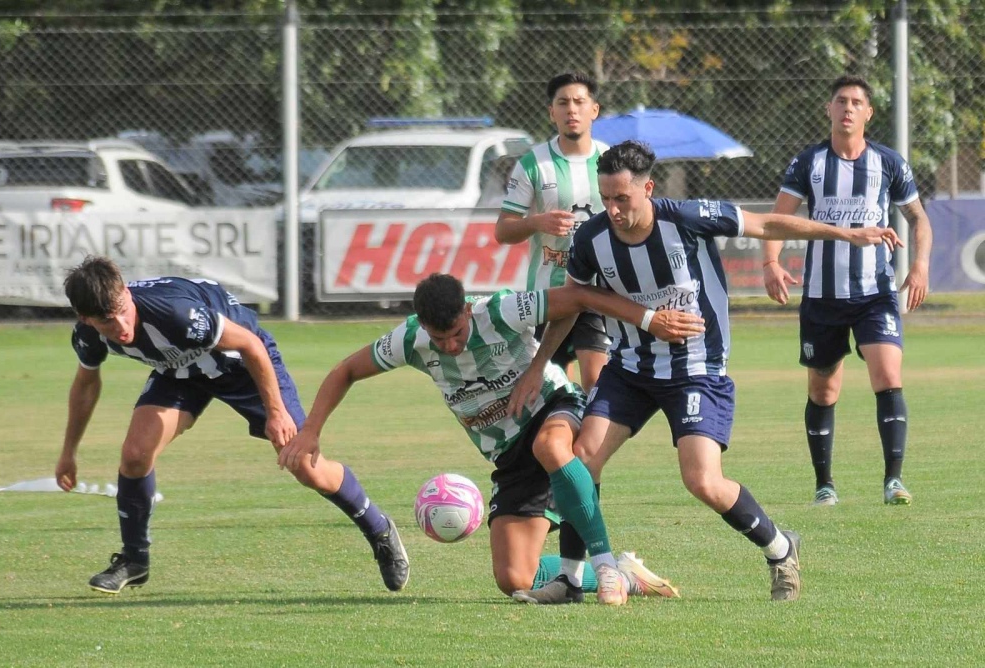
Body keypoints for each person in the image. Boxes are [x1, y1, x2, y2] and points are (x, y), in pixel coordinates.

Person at [510, 140, 902, 602]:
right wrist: (539, 365)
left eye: (623, 198)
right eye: (607, 198)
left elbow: (766, 223)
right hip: (631, 368)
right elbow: (571, 305)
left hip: (697, 369)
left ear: (648, 189)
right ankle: (573, 579)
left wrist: (846, 234)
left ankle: (780, 548)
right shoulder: (591, 239)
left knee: (702, 481)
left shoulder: (689, 217)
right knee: (582, 458)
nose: (613, 209)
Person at [278, 273, 706, 605]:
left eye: (457, 335)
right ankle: (624, 573)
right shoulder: (410, 340)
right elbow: (344, 371)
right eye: (438, 338)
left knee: (551, 446)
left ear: (466, 311)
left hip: (555, 406)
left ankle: (603, 561)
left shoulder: (500, 310)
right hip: (508, 454)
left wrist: (645, 321)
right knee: (514, 579)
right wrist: (312, 429)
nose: (448, 346)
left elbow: (579, 298)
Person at [55, 256, 409, 594]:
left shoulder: (176, 314)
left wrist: (276, 412)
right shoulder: (88, 335)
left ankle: (379, 529)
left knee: (303, 465)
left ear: (127, 295)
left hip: (243, 364)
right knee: (135, 454)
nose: (120, 328)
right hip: (180, 371)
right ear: (86, 320)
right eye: (106, 323)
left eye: (122, 313)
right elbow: (86, 385)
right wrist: (69, 452)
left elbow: (251, 345)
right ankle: (134, 559)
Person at [762, 75, 933, 507]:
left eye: (857, 102)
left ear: (869, 113)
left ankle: (893, 480)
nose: (849, 108)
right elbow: (777, 220)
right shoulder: (809, 163)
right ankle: (825, 484)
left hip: (876, 292)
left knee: (889, 376)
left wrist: (919, 266)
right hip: (822, 295)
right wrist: (771, 262)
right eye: (841, 101)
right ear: (829, 109)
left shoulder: (889, 163)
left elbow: (918, 218)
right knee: (823, 392)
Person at [495, 72, 611, 393]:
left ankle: (589, 444)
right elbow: (503, 231)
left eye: (579, 102)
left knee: (595, 382)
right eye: (563, 103)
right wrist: (536, 222)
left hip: (596, 292)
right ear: (552, 112)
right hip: (547, 295)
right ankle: (566, 441)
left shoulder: (610, 161)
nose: (571, 109)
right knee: (552, 390)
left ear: (594, 110)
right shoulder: (534, 164)